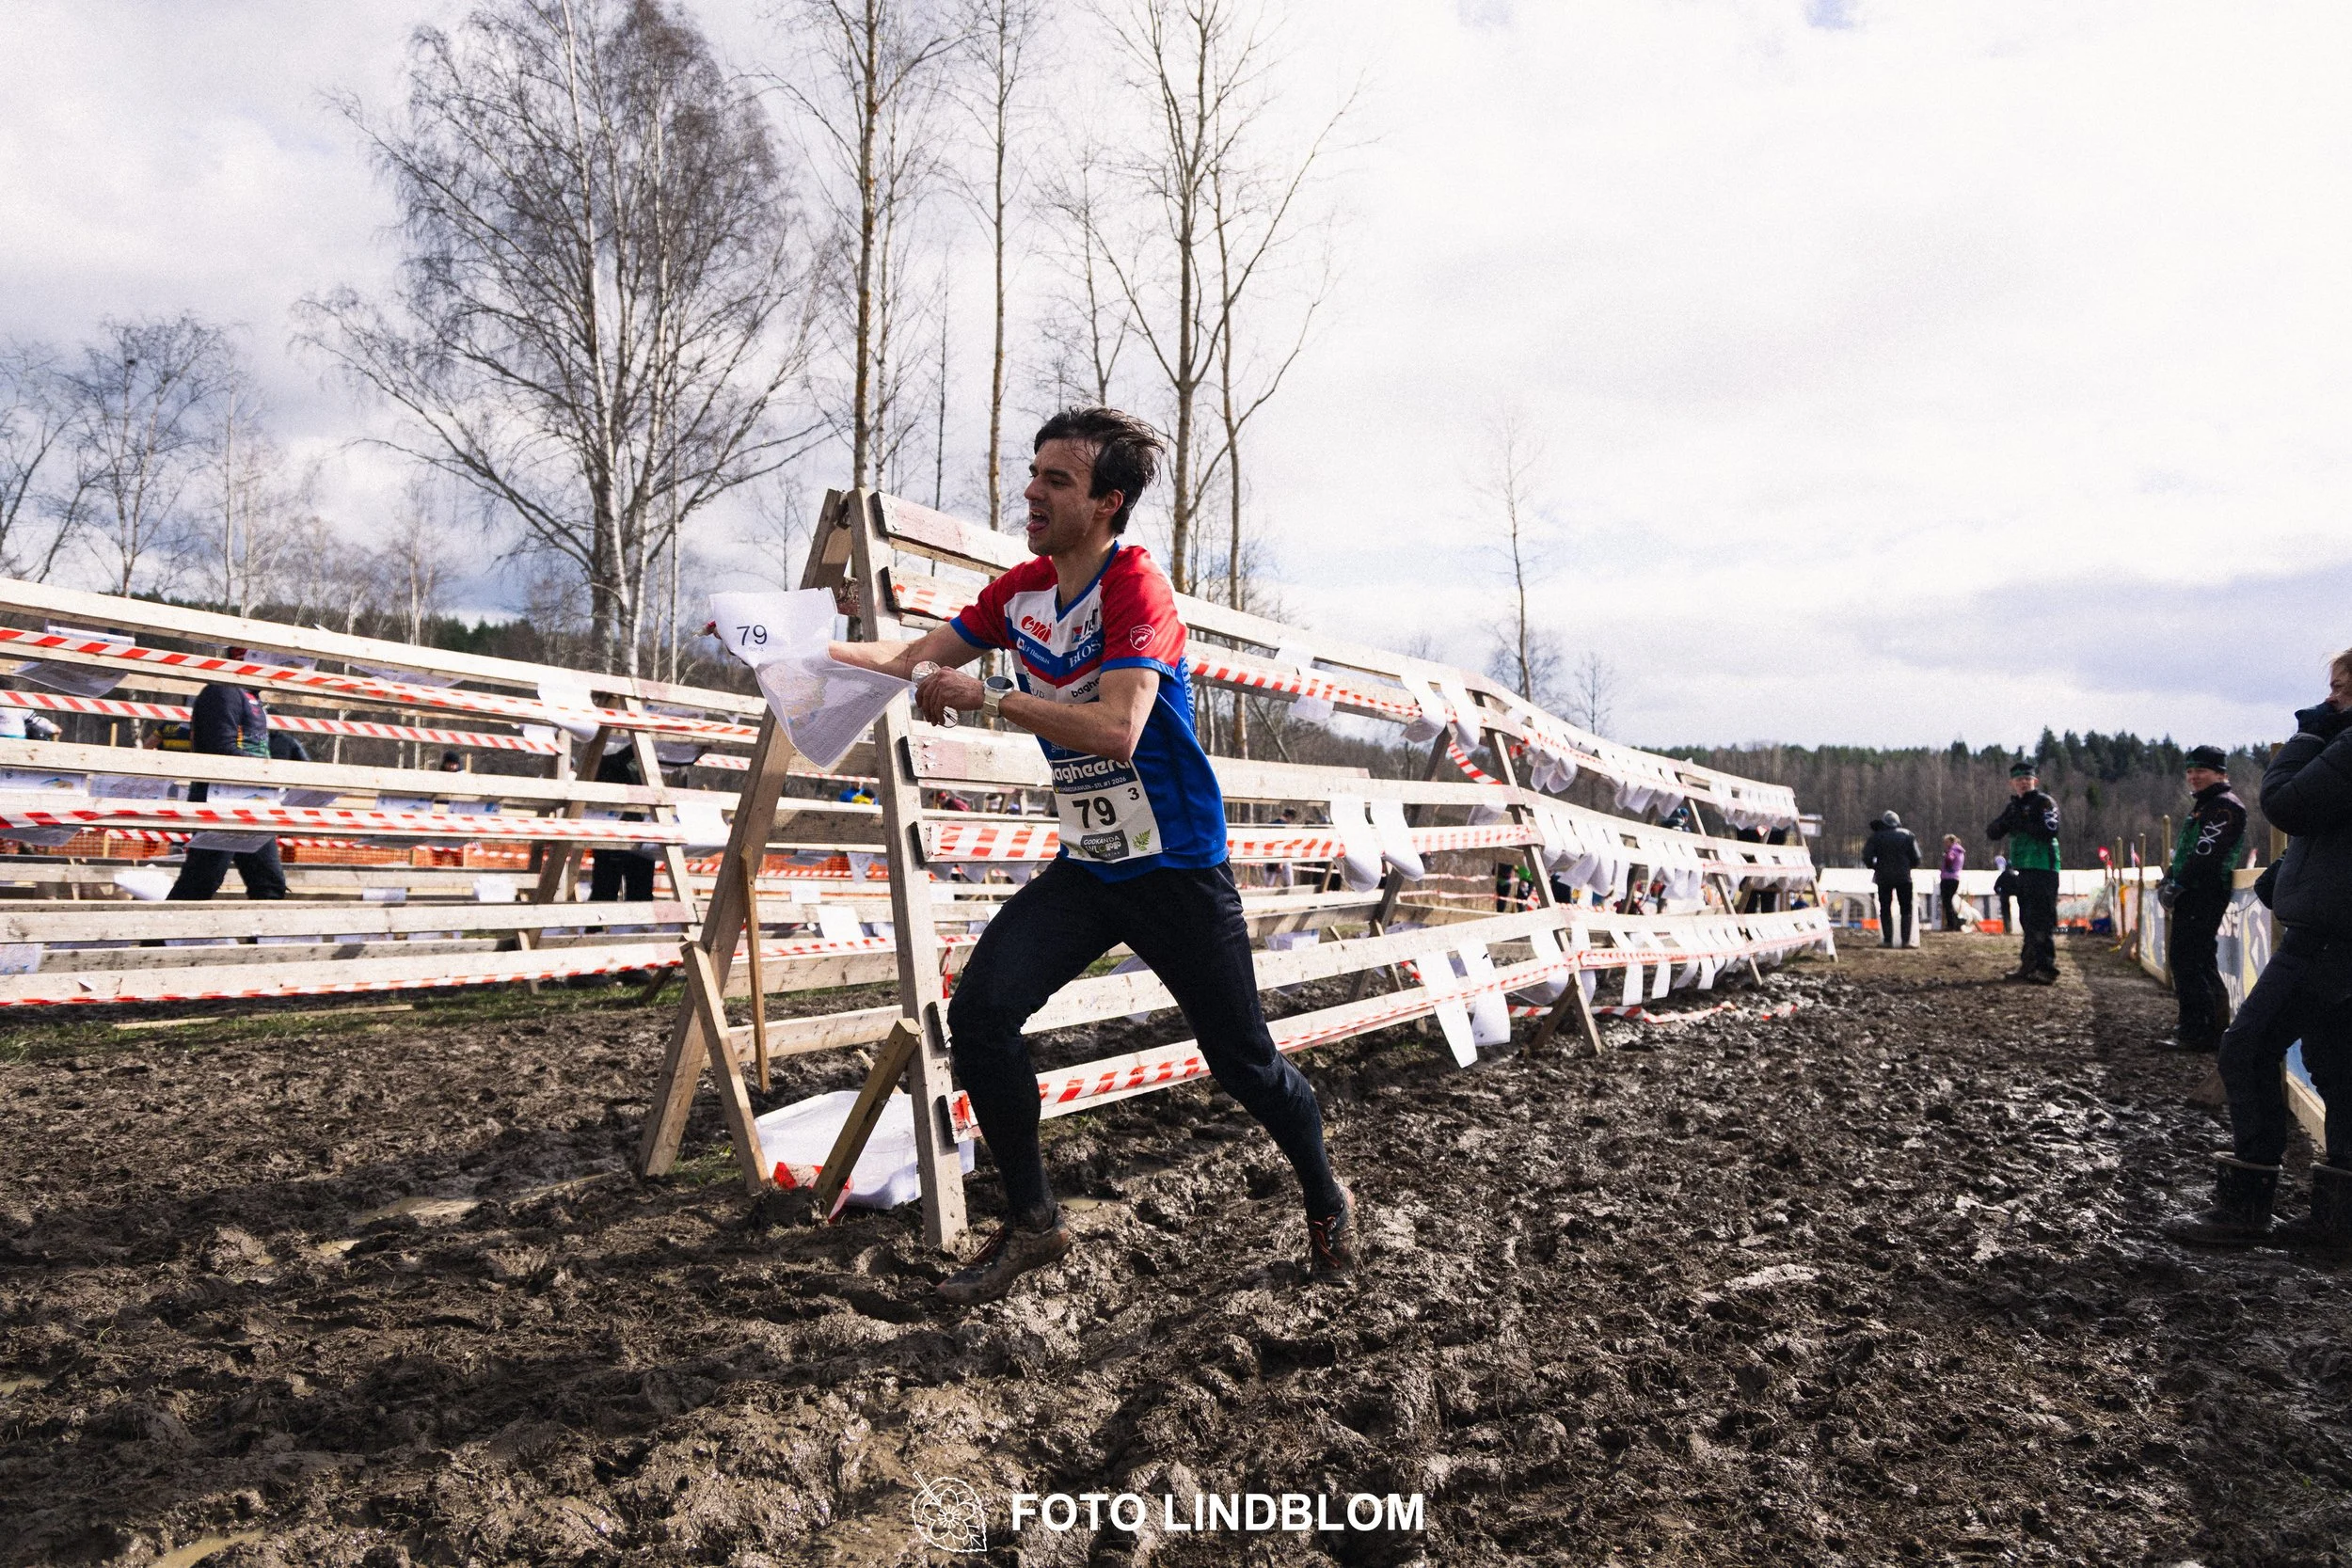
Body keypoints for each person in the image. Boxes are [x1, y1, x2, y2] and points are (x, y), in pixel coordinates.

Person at [826, 406, 1355, 1304]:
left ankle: (1325, 1191)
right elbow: (914, 655)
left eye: (1056, 481)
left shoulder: (1136, 589)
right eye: (1033, 474)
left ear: (1107, 503)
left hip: (1178, 868)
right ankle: (1034, 1224)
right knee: (982, 1013)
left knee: (1243, 1063)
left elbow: (1119, 728)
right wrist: (789, 650)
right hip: (1092, 866)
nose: (1030, 491)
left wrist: (993, 697)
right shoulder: (1022, 590)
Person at [2166, 655, 2352, 1248]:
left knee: (2247, 1047)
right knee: (2336, 1062)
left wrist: (2306, 732)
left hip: (2329, 935)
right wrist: (2288, 876)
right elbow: (2330, 831)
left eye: (2340, 690)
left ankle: (2246, 1205)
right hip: (2334, 923)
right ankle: (2338, 1217)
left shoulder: (2340, 742)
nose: (2331, 701)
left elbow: (2286, 802)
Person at [166, 649, 288, 902]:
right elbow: (220, 747)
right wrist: (268, 774)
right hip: (221, 800)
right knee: (202, 879)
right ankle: (159, 940)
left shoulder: (249, 696)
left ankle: (265, 941)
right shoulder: (223, 690)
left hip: (252, 801)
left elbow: (252, 745)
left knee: (268, 883)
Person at [2157, 745, 2248, 1052]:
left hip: (2204, 892)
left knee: (2188, 960)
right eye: (2190, 770)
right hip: (2191, 890)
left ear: (2220, 773)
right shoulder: (2205, 805)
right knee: (2194, 959)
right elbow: (2186, 852)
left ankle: (2199, 1032)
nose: (2194, 776)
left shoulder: (2224, 807)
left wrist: (2179, 883)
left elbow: (2206, 853)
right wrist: (2169, 878)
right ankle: (2203, 1027)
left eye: (2201, 771)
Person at [1987, 763, 2060, 984]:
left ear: (2034, 781)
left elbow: (2051, 830)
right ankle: (2028, 965)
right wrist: (2006, 822)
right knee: (2027, 919)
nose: (2023, 783)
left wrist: (2024, 822)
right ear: (2012, 783)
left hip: (2044, 867)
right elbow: (1993, 832)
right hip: (2023, 868)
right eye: (2019, 780)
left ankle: (2046, 968)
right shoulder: (2013, 807)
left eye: (2027, 779)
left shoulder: (2044, 802)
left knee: (2042, 920)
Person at [587, 742, 656, 903]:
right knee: (610, 892)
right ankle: (598, 927)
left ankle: (598, 927)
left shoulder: (613, 761)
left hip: (634, 833)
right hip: (620, 832)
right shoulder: (614, 761)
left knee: (610, 892)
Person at [1861, 811, 1920, 948]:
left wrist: (1874, 866)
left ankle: (1887, 940)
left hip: (1883, 877)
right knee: (1906, 909)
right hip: (1904, 877)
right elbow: (1917, 858)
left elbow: (1866, 856)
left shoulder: (1876, 836)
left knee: (1885, 907)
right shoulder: (1908, 835)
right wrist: (1907, 867)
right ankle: (1906, 941)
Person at [1938, 834, 1966, 931]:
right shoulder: (1960, 851)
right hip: (1955, 878)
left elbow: (1950, 859)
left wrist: (1946, 856)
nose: (1945, 844)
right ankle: (1956, 922)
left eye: (1946, 842)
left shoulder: (1953, 851)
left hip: (1948, 878)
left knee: (1947, 902)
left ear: (1951, 842)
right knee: (1948, 901)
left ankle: (1952, 923)